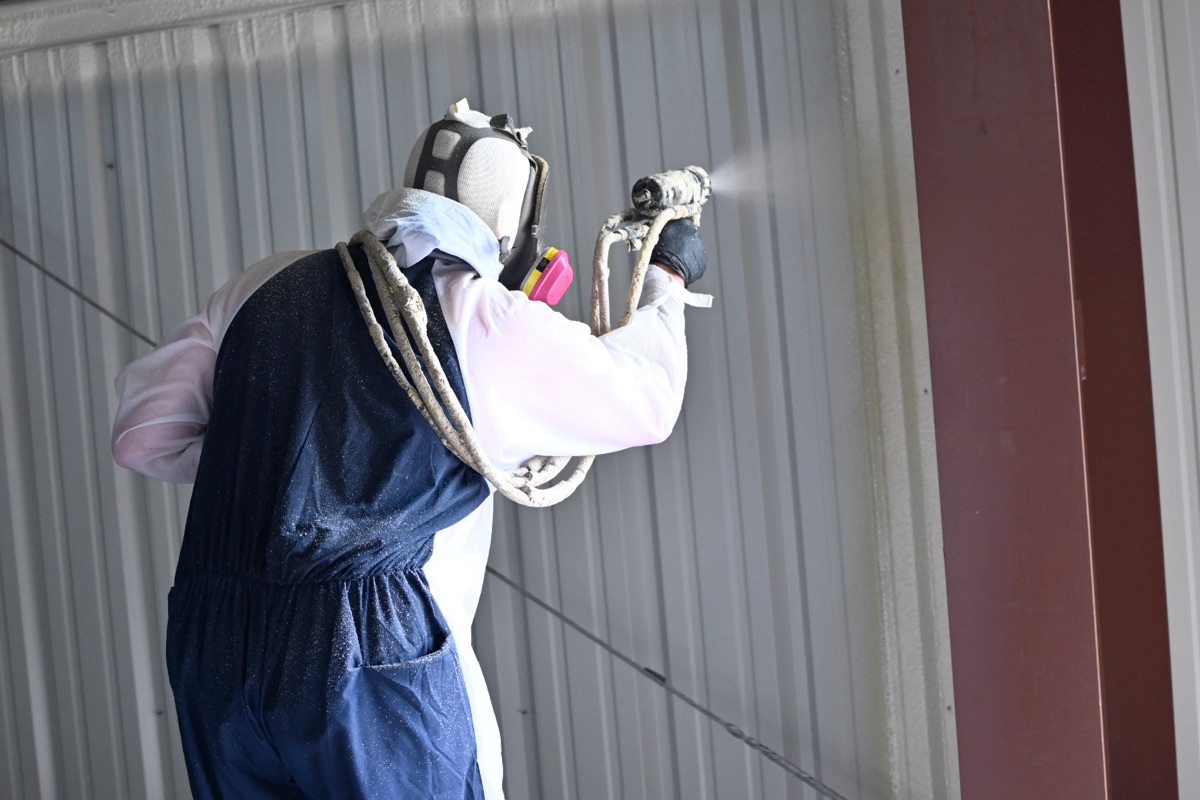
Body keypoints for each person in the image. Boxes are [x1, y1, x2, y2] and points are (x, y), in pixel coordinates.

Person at [111, 99, 709, 799]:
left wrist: (281, 463)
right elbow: (647, 401)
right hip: (365, 659)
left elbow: (142, 436)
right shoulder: (482, 316)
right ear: (512, 219)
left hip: (212, 645)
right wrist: (667, 282)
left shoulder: (263, 283)